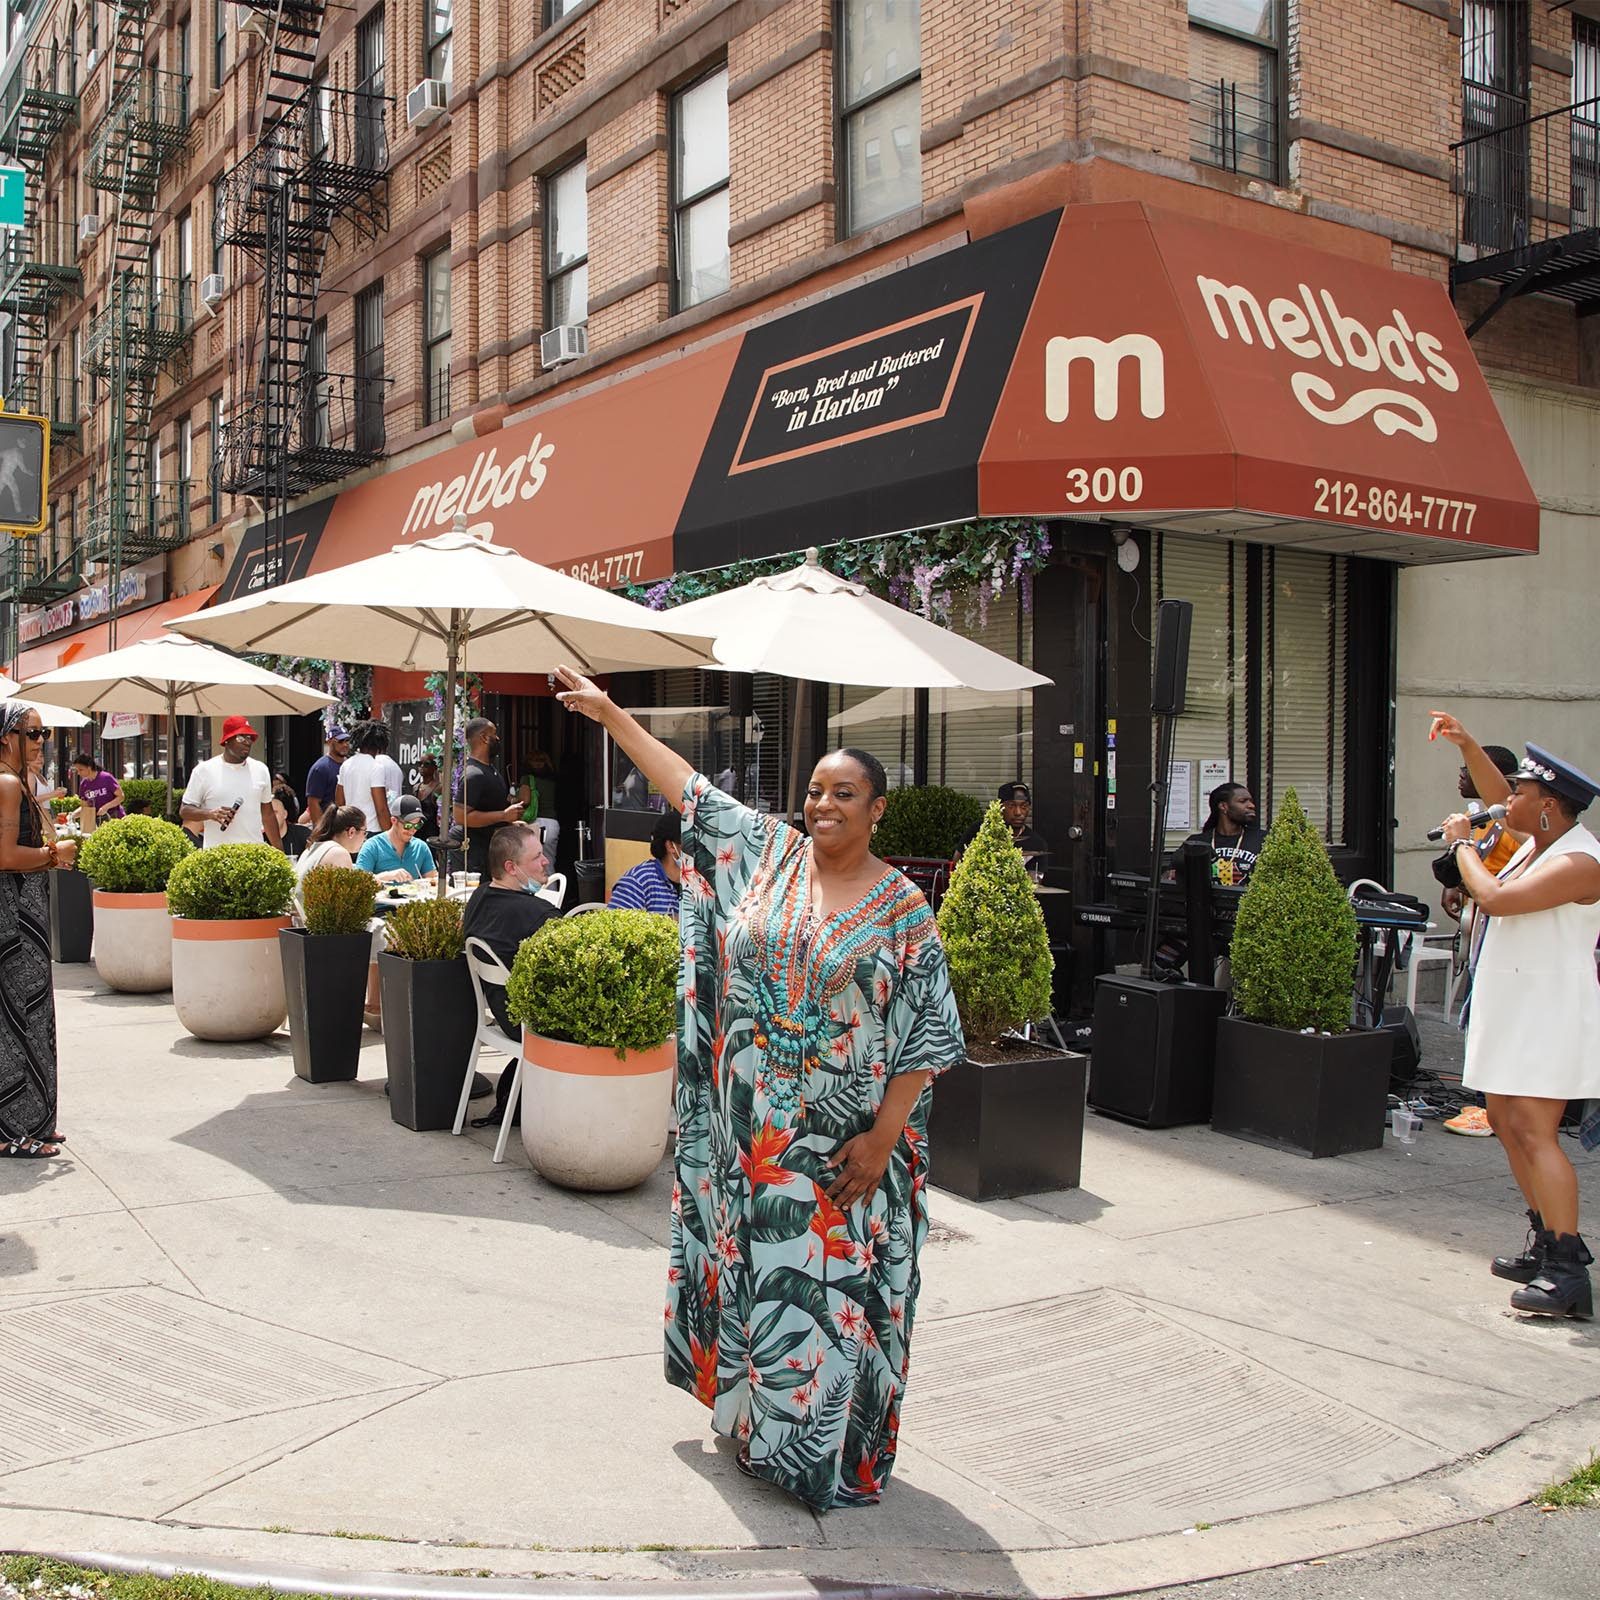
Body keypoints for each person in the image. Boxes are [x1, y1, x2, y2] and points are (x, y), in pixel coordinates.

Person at [555, 664, 966, 1510]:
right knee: (761, 1285)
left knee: (824, 1305)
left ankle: (815, 1457)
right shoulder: (771, 857)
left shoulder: (903, 911)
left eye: (844, 793)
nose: (823, 804)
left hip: (844, 1150)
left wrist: (886, 1135)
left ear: (877, 808)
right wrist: (608, 716)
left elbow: (928, 1034)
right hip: (754, 1140)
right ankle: (751, 1429)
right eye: (815, 790)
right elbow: (690, 791)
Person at [1433, 710, 1600, 1321]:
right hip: (1516, 1007)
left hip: (1550, 1015)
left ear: (1550, 805)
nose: (1506, 803)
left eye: (1522, 793)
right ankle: (1544, 1234)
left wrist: (1460, 843)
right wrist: (1467, 742)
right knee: (1504, 1119)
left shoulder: (1580, 862)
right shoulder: (1538, 842)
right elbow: (1496, 791)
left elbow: (1496, 898)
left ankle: (1567, 1271)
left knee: (1535, 1130)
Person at [1431, 743, 1521, 1138]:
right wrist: (1457, 886)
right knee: (1480, 1012)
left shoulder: (1512, 825)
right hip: (1481, 922)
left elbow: (1500, 880)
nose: (1460, 776)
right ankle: (1487, 1101)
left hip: (1508, 929)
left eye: (1468, 770)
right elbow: (1472, 866)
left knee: (1498, 1017)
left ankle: (1495, 1107)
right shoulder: (1480, 820)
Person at [0, 702, 76, 1159]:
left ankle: (36, 1119)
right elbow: (4, 855)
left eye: (44, 734)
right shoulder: (7, 784)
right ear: (7, 735)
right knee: (16, 1017)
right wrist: (53, 855)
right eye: (32, 733)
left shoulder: (19, 784)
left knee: (31, 1012)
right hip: (12, 915)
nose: (41, 742)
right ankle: (12, 1129)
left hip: (24, 911)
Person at [462, 822, 559, 1127]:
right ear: (511, 867)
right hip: (531, 1023)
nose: (545, 862)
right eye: (536, 858)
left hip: (501, 1013)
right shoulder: (537, 915)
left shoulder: (477, 899)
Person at [180, 716, 281, 849]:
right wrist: (210, 814)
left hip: (253, 853)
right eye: (241, 738)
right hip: (218, 855)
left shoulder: (261, 769)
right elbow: (184, 810)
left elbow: (268, 815)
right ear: (227, 740)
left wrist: (281, 854)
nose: (247, 742)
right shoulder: (204, 771)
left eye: (250, 737)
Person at [461, 717, 521, 878]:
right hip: (477, 854)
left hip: (492, 850)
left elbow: (490, 809)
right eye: (495, 734)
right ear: (484, 737)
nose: (498, 738)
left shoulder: (491, 770)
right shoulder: (473, 774)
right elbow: (461, 817)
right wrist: (503, 815)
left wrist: (510, 822)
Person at [608, 808, 682, 915]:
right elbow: (617, 926)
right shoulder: (637, 882)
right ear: (671, 846)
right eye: (692, 843)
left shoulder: (699, 882)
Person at [337, 721, 402, 835]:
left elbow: (339, 802)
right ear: (380, 745)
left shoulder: (346, 765)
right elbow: (381, 809)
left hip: (350, 830)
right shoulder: (376, 767)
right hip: (371, 830)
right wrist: (390, 838)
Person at [356, 795, 438, 884]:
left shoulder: (421, 847)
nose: (412, 830)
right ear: (394, 820)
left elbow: (432, 879)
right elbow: (359, 882)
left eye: (417, 825)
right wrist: (387, 876)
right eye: (408, 826)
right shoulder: (373, 846)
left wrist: (436, 881)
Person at [294, 804, 368, 884]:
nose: (365, 839)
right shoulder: (338, 853)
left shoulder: (312, 849)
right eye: (364, 832)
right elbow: (347, 894)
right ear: (351, 832)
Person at [303, 725, 349, 826]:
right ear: (329, 742)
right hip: (330, 826)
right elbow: (313, 802)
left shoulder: (350, 765)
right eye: (340, 741)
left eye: (347, 740)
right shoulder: (320, 768)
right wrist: (321, 830)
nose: (345, 744)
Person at [998, 780, 1048, 867]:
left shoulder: (1036, 844)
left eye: (1024, 806)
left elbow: (1034, 879)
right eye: (1011, 806)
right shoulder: (977, 833)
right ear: (1000, 807)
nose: (1018, 812)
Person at [71, 753, 125, 829]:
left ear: (89, 768)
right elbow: (85, 807)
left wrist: (106, 807)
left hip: (115, 819)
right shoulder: (84, 784)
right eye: (77, 770)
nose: (79, 773)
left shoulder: (106, 778)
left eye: (81, 770)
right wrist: (73, 815)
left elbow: (121, 797)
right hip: (99, 823)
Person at [414, 754, 441, 840]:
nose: (422, 767)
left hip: (432, 836)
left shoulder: (439, 788)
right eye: (419, 763)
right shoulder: (416, 787)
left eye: (426, 764)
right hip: (416, 834)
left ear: (434, 767)